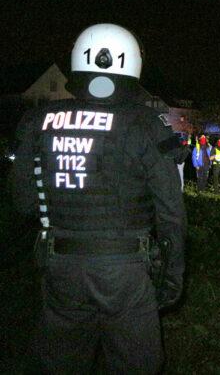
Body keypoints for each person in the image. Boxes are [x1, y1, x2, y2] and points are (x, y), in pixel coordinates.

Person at [11, 23, 186, 373]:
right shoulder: (146, 124)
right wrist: (172, 279)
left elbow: (23, 204)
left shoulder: (36, 121)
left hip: (60, 268)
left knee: (61, 363)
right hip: (126, 274)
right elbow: (171, 213)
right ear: (133, 63)